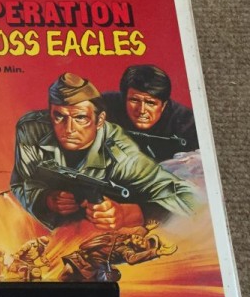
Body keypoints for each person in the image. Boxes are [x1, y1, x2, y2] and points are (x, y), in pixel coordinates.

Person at [10, 72, 198, 231]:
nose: (69, 129)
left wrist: (131, 214)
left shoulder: (122, 155)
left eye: (80, 118)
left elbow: (189, 200)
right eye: (59, 116)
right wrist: (45, 199)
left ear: (100, 121)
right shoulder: (31, 130)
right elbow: (21, 183)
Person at [103, 65, 199, 161]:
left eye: (150, 103)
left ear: (163, 105)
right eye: (134, 100)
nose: (141, 110)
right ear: (124, 99)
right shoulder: (104, 106)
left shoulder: (188, 124)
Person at [59, 224, 177, 282]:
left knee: (68, 274)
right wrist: (146, 229)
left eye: (142, 244)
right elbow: (137, 236)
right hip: (81, 254)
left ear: (138, 250)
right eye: (143, 239)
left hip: (90, 266)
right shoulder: (127, 238)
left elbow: (132, 259)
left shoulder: (127, 251)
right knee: (64, 276)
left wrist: (157, 252)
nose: (141, 239)